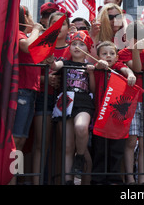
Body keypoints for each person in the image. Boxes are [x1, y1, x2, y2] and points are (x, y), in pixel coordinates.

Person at [47, 30, 96, 185]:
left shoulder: (90, 65)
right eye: (74, 44)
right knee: (67, 146)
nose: (77, 47)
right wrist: (50, 59)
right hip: (66, 102)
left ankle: (80, 158)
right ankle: (68, 180)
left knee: (81, 127)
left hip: (83, 101)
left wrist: (92, 73)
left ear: (88, 49)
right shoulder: (65, 62)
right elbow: (55, 65)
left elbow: (93, 89)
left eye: (81, 44)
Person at [32, 12, 71, 185]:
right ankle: (36, 182)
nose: (58, 26)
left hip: (66, 101)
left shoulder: (73, 48)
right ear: (48, 27)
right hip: (44, 96)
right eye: (54, 23)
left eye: (62, 24)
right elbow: (31, 73)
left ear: (68, 28)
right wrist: (45, 79)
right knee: (42, 144)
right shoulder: (42, 45)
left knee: (62, 146)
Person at [90, 41, 136, 185]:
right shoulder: (97, 69)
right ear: (97, 56)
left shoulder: (117, 67)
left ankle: (114, 179)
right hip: (101, 117)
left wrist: (131, 74)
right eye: (104, 53)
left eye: (111, 53)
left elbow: (126, 69)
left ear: (116, 57)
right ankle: (98, 180)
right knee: (100, 150)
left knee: (116, 150)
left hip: (116, 119)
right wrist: (98, 66)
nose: (108, 56)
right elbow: (96, 71)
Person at [119, 22, 144, 185]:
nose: (138, 40)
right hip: (130, 100)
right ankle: (130, 179)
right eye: (134, 37)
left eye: (141, 37)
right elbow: (136, 68)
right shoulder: (123, 52)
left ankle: (142, 180)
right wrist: (135, 49)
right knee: (130, 140)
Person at [13, 6, 44, 154]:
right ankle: (8, 176)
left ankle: (14, 176)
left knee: (21, 141)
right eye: (31, 16)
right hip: (21, 91)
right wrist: (36, 29)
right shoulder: (18, 34)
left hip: (30, 92)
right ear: (25, 18)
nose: (33, 20)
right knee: (15, 140)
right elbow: (27, 46)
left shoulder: (26, 36)